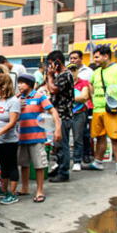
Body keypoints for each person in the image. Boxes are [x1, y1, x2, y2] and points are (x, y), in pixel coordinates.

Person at [84, 46, 117, 178]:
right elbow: (90, 86)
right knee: (99, 137)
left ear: (106, 56)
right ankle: (97, 162)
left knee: (115, 138)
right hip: (97, 109)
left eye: (97, 57)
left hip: (113, 109)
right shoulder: (96, 72)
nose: (94, 60)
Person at [16, 74, 61, 203]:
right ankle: (25, 187)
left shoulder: (39, 96)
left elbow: (53, 111)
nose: (19, 86)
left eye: (22, 83)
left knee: (39, 165)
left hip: (37, 137)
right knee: (23, 164)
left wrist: (57, 128)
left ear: (30, 84)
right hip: (22, 136)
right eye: (18, 83)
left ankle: (40, 190)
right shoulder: (18, 99)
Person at [0, 73, 20, 205]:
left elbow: (12, 122)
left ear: (3, 87)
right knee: (3, 166)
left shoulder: (14, 101)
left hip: (9, 141)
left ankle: (12, 194)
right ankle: (4, 190)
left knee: (11, 166)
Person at [46, 50, 74, 183]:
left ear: (57, 62)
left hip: (63, 115)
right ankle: (59, 167)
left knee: (62, 145)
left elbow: (53, 89)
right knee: (57, 145)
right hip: (57, 115)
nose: (49, 67)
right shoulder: (60, 75)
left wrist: (50, 76)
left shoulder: (65, 75)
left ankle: (64, 172)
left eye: (51, 64)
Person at [67, 63, 92, 171]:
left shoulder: (84, 82)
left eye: (74, 70)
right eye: (70, 70)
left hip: (79, 113)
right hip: (66, 113)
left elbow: (84, 97)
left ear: (77, 71)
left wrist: (67, 97)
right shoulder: (64, 82)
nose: (72, 72)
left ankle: (77, 161)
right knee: (63, 139)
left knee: (78, 137)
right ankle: (63, 161)